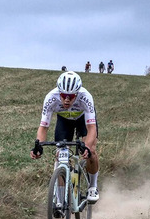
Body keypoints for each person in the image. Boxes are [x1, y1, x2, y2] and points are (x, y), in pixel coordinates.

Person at [30, 71, 100, 202]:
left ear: (77, 94)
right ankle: (60, 200)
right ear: (59, 92)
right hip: (64, 121)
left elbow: (91, 128)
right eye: (63, 95)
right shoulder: (51, 98)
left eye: (71, 96)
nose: (66, 99)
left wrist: (88, 148)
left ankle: (93, 186)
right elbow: (43, 127)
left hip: (82, 119)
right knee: (60, 155)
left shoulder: (86, 97)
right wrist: (39, 146)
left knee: (91, 151)